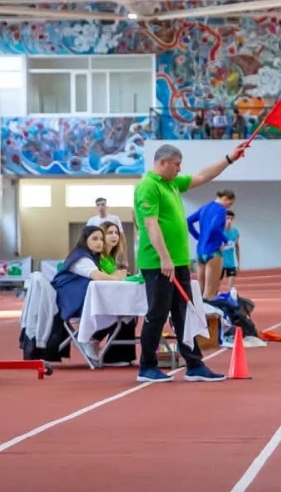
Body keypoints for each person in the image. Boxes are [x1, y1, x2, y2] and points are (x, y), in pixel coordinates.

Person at [134, 142, 246, 383]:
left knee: (183, 313)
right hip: (157, 262)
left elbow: (202, 176)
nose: (179, 169)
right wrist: (164, 257)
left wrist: (229, 158)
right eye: (176, 164)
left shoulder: (172, 183)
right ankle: (147, 366)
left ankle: (194, 364)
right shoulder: (148, 186)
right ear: (162, 162)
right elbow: (151, 224)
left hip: (179, 261)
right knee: (157, 313)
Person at [51, 225, 135, 365]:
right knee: (119, 306)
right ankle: (89, 339)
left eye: (101, 239)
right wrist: (118, 278)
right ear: (85, 241)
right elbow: (98, 276)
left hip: (84, 298)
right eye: (95, 239)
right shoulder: (80, 259)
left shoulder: (93, 257)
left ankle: (96, 341)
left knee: (124, 306)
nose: (99, 242)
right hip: (71, 302)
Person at [187, 189, 235, 299]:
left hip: (200, 251)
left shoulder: (205, 207)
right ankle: (207, 315)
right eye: (230, 203)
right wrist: (225, 240)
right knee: (210, 291)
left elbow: (188, 221)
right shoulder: (221, 210)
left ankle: (198, 314)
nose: (229, 206)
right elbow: (214, 228)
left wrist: (198, 236)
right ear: (225, 198)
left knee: (201, 291)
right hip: (213, 251)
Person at [220, 211, 241, 293]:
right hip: (219, 263)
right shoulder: (219, 231)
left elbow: (237, 248)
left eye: (231, 219)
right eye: (227, 218)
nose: (229, 220)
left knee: (230, 288)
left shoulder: (235, 232)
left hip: (231, 263)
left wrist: (238, 264)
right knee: (215, 285)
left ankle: (229, 302)